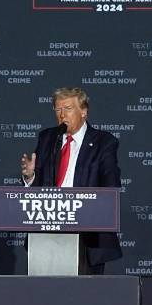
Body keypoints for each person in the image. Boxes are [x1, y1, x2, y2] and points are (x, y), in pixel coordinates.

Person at [19, 87, 122, 273]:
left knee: (84, 295)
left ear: (83, 111)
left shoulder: (104, 142)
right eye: (58, 110)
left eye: (68, 108)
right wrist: (30, 176)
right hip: (48, 227)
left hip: (87, 232)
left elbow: (110, 185)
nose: (62, 115)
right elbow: (38, 186)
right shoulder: (48, 138)